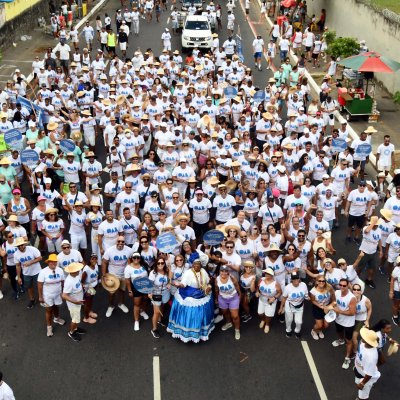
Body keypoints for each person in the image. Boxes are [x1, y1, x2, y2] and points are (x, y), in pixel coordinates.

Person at [167, 258, 214, 342]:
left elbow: (207, 282)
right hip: (189, 292)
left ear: (200, 265)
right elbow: (184, 284)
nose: (197, 266)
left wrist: (208, 287)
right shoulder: (188, 272)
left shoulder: (203, 271)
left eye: (198, 264)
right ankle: (186, 332)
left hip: (201, 292)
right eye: (195, 264)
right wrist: (179, 285)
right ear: (192, 265)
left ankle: (200, 331)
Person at [37, 254, 66, 337]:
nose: (53, 263)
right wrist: (40, 296)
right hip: (47, 295)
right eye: (51, 262)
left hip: (58, 294)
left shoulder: (60, 270)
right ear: (48, 262)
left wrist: (63, 292)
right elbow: (39, 284)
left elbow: (62, 282)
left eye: (55, 262)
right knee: (49, 310)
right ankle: (49, 327)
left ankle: (57, 319)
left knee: (56, 307)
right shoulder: (43, 272)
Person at [332, 278, 357, 370]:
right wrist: (333, 307)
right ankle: (340, 340)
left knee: (349, 341)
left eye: (344, 285)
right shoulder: (337, 292)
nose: (342, 287)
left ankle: (347, 358)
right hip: (338, 319)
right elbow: (334, 303)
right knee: (339, 332)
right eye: (340, 285)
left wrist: (339, 311)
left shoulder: (351, 298)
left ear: (347, 286)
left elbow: (352, 312)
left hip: (348, 323)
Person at [278, 272, 309, 338]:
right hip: (289, 306)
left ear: (299, 278)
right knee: (289, 320)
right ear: (291, 280)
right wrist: (281, 308)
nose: (295, 280)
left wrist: (308, 298)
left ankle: (297, 331)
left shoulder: (303, 285)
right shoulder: (287, 287)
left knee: (299, 322)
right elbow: (284, 298)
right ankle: (288, 330)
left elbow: (306, 295)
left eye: (297, 278)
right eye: (293, 279)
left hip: (299, 306)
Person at [14, 237, 42, 309]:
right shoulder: (16, 254)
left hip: (37, 271)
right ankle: (32, 299)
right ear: (17, 246)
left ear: (24, 244)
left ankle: (41, 298)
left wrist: (30, 262)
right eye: (19, 245)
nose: (21, 246)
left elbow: (40, 258)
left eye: (22, 245)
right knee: (29, 287)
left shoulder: (32, 249)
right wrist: (19, 277)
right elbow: (18, 265)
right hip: (26, 273)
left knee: (40, 285)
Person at [62, 262, 87, 342]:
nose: (79, 271)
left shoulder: (77, 276)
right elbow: (64, 295)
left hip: (78, 301)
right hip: (74, 304)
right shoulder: (69, 281)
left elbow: (79, 284)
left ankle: (75, 328)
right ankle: (71, 332)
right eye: (77, 270)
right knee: (75, 319)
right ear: (72, 272)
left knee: (76, 318)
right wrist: (75, 302)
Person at [215, 265, 242, 340]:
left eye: (226, 271)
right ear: (219, 271)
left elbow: (237, 287)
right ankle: (228, 323)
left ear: (228, 272)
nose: (224, 273)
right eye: (222, 271)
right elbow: (216, 289)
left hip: (233, 298)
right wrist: (216, 298)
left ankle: (237, 330)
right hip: (222, 298)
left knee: (235, 316)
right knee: (225, 312)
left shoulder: (232, 278)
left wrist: (240, 296)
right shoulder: (217, 279)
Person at [125, 252, 149, 331]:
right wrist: (129, 291)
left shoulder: (144, 265)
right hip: (135, 288)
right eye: (134, 257)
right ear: (132, 258)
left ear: (140, 258)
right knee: (137, 304)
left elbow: (148, 275)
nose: (136, 259)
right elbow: (127, 280)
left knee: (145, 300)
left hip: (145, 286)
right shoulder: (128, 268)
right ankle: (136, 321)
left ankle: (142, 311)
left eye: (137, 257)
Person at [354, 327, 380, 400]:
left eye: (365, 336)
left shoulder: (371, 356)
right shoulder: (363, 342)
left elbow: (369, 374)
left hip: (365, 377)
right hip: (358, 370)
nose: (362, 336)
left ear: (368, 341)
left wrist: (362, 383)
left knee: (363, 396)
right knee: (357, 383)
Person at [256, 267, 282, 333]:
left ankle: (267, 324)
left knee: (268, 315)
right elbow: (258, 287)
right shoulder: (261, 280)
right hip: (261, 299)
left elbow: (280, 292)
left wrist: (274, 298)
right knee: (260, 313)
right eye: (266, 273)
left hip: (270, 301)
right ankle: (263, 320)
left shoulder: (276, 283)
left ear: (272, 275)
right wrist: (257, 291)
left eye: (268, 273)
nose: (266, 275)